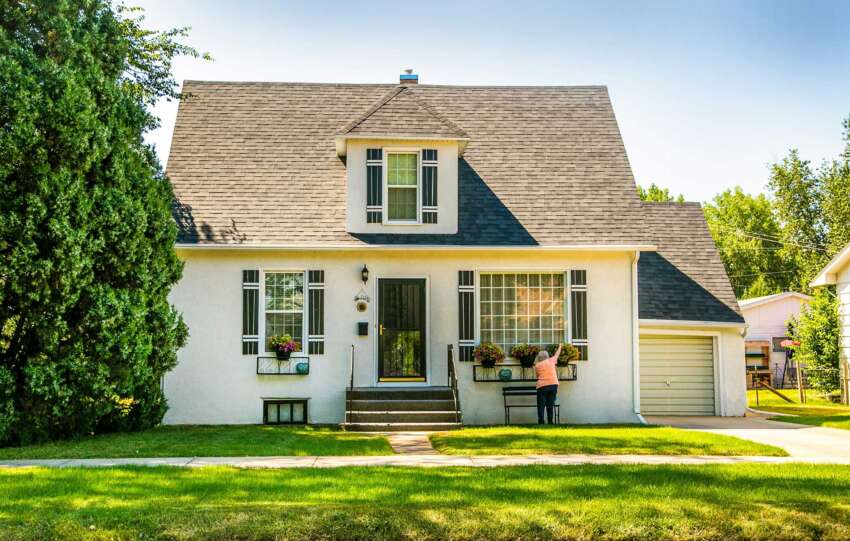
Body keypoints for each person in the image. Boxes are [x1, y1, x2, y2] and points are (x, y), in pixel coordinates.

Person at [534, 344, 562, 425]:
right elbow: (557, 354)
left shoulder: (537, 365)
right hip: (553, 385)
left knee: (541, 405)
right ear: (547, 356)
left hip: (542, 386)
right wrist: (560, 346)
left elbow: (537, 376)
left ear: (539, 357)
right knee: (550, 404)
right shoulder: (551, 360)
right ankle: (550, 421)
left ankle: (541, 421)